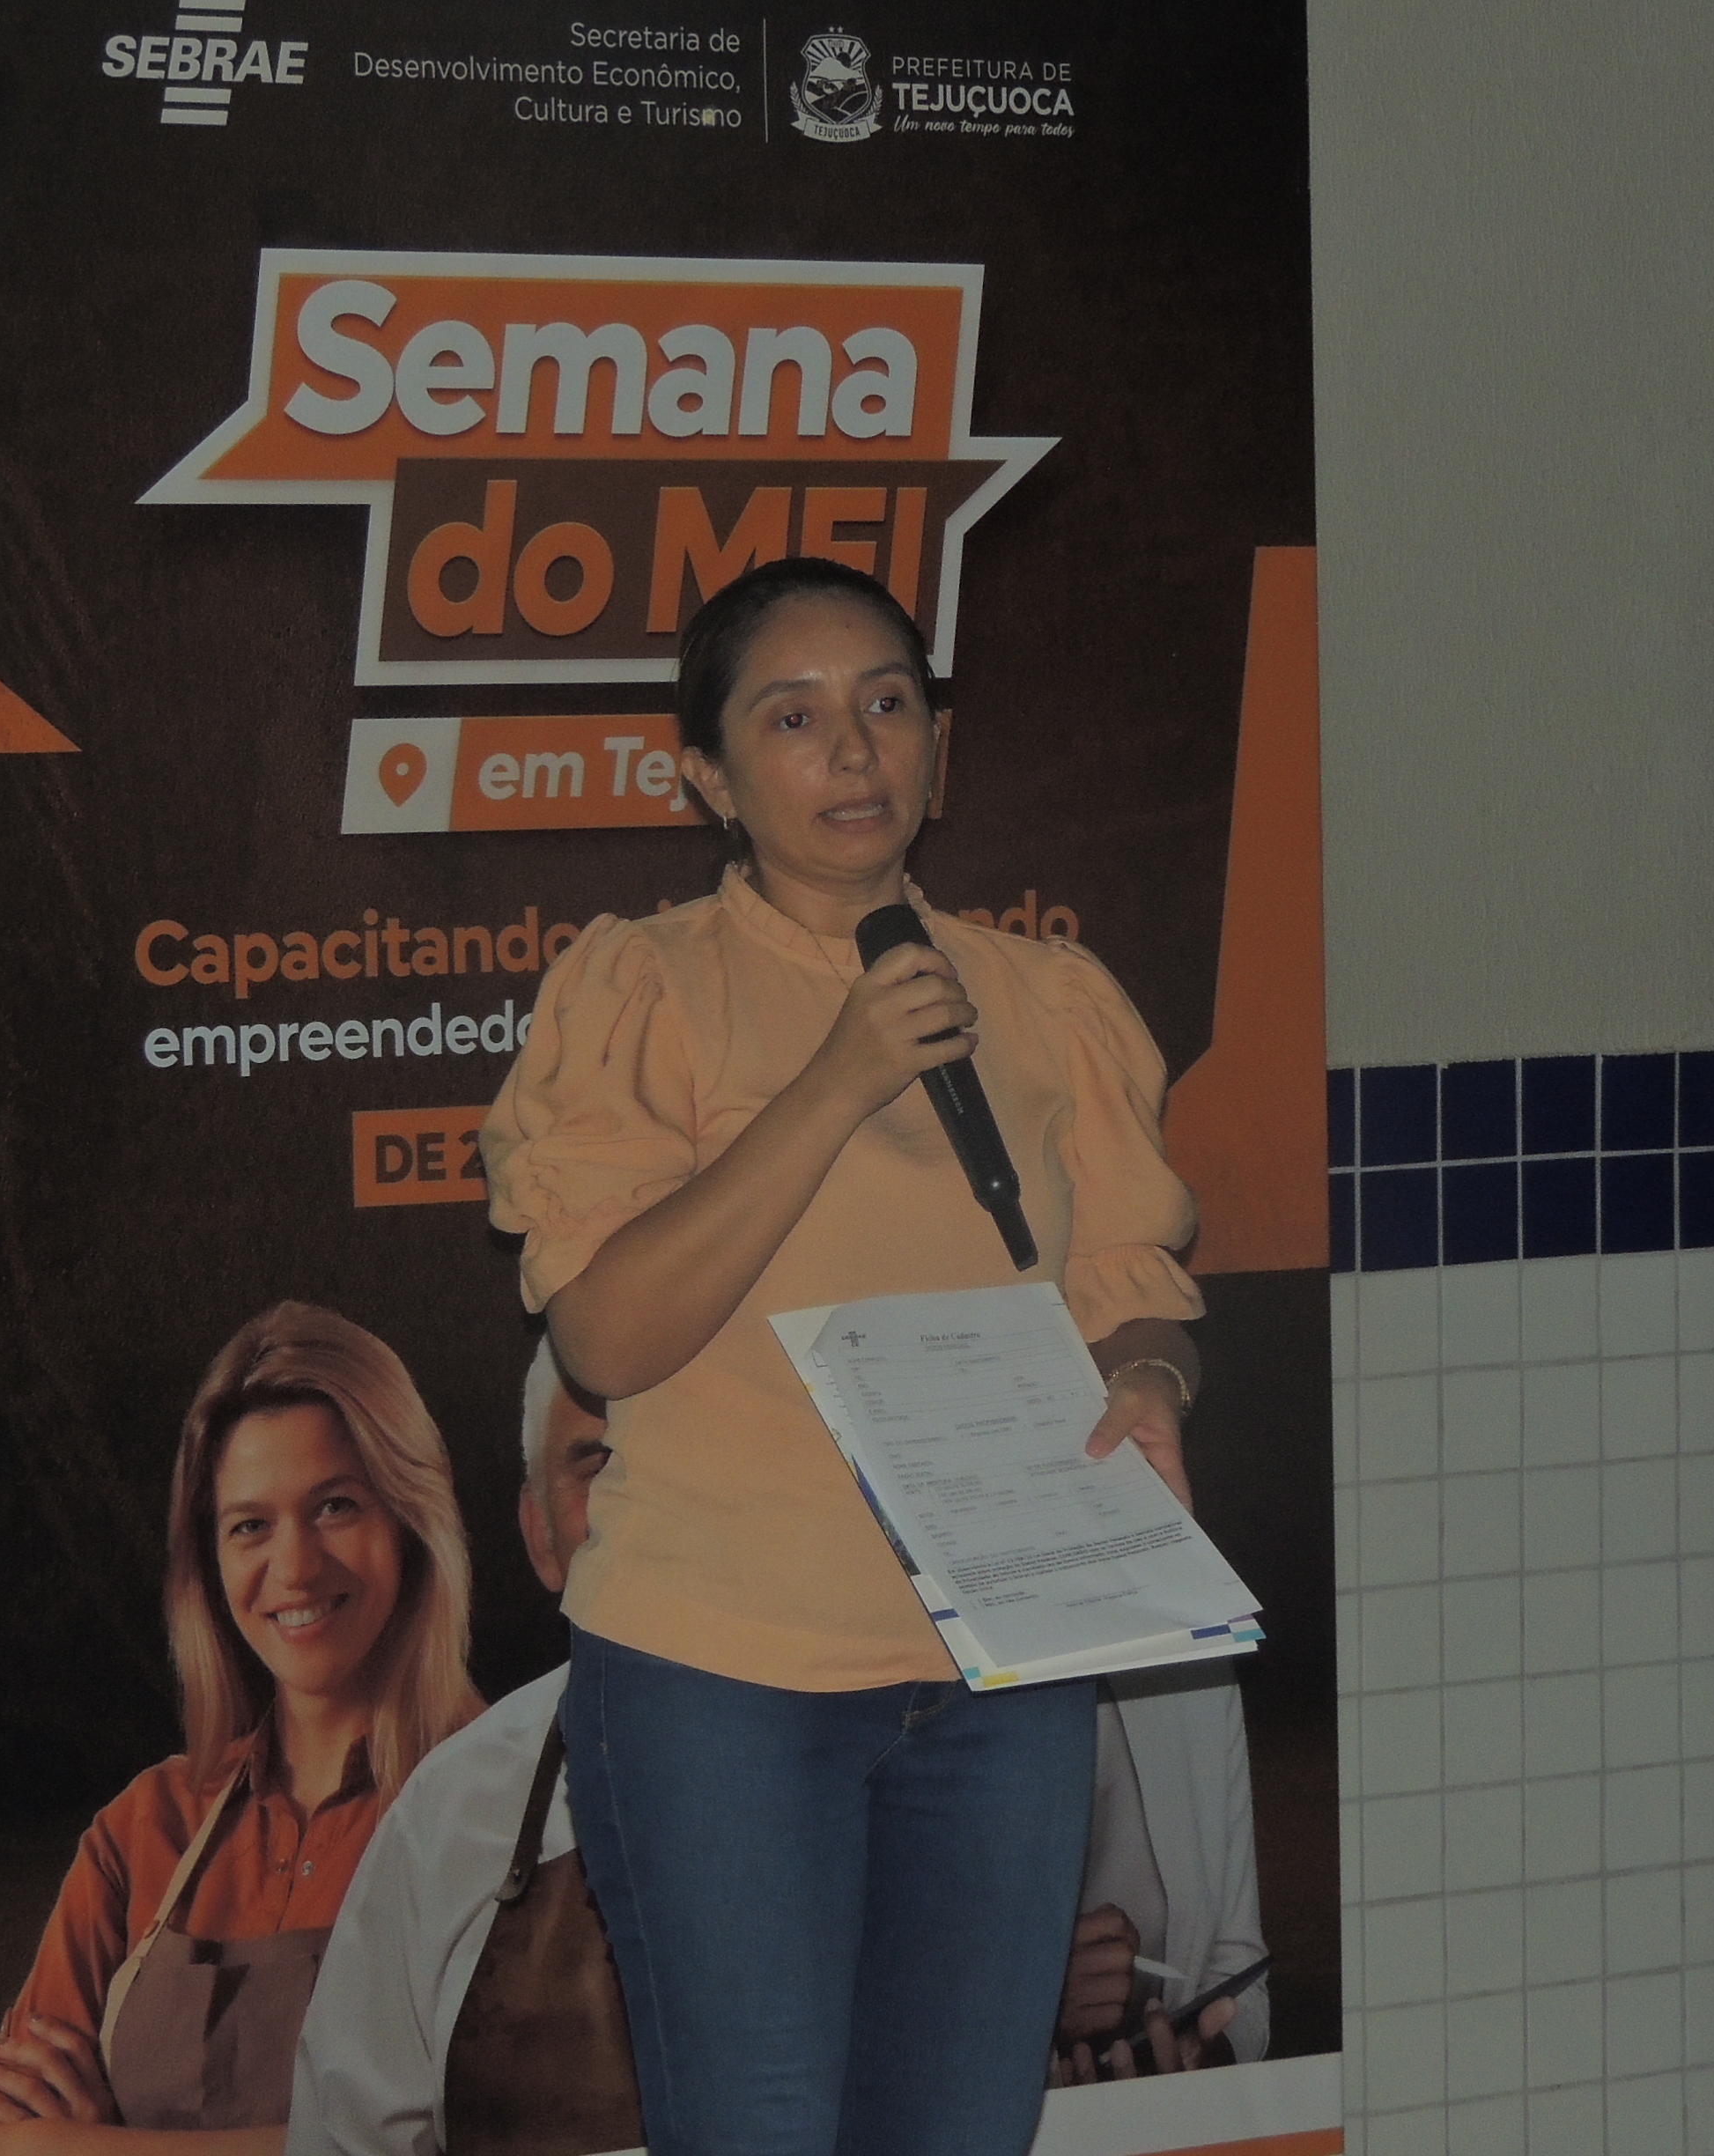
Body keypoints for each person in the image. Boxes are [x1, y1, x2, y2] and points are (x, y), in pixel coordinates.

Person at [477, 553, 1211, 2155]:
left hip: (1002, 1678)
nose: (855, 748)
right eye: (794, 716)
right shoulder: (645, 988)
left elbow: (1124, 1280)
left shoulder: (1045, 998)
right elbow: (603, 1333)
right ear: (708, 776)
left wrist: (1148, 1379)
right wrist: (834, 1079)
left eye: (887, 702)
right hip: (722, 1688)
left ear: (939, 743)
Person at [287, 1344, 1267, 2156]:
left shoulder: (967, 1750)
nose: (655, 1497)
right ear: (541, 1536)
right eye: (598, 1464)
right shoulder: (454, 1814)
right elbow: (341, 2135)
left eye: (689, 1451)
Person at [0, 1303, 486, 2156]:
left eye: (336, 1506)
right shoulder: (144, 1830)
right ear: (210, 1559)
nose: (294, 1567)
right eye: (250, 1526)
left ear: (410, 1521)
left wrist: (84, 2147)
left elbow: (493, 2136)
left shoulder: (505, 1810)